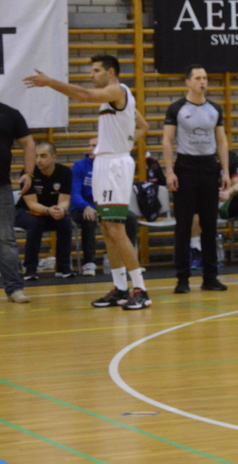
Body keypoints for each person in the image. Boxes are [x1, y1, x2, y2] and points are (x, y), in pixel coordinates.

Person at [27, 55, 152, 310]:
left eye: (96, 70)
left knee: (116, 229)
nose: (91, 75)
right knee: (106, 228)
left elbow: (84, 95)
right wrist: (126, 142)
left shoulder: (117, 90)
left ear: (110, 72)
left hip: (115, 165)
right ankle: (120, 288)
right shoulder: (114, 98)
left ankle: (140, 289)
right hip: (105, 164)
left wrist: (50, 82)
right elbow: (143, 126)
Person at [162, 65, 231, 294]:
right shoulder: (177, 108)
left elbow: (221, 141)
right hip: (185, 168)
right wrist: (170, 171)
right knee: (184, 225)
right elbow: (167, 140)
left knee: (209, 225)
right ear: (188, 82)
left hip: (209, 168)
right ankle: (182, 279)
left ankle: (210, 277)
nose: (203, 82)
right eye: (198, 78)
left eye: (205, 78)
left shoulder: (215, 109)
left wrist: (225, 171)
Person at [69, 135, 139, 279]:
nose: (90, 149)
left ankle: (125, 259)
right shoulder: (79, 166)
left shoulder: (112, 166)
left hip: (105, 206)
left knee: (130, 218)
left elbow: (119, 190)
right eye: (89, 145)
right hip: (83, 207)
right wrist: (85, 206)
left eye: (94, 146)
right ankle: (89, 262)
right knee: (89, 218)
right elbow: (74, 193)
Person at [16, 142, 72, 283]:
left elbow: (64, 200)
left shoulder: (65, 172)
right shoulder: (28, 174)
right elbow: (32, 204)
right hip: (25, 212)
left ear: (54, 157)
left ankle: (63, 268)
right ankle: (30, 269)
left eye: (43, 156)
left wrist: (61, 210)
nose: (38, 160)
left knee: (65, 221)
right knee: (36, 222)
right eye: (36, 156)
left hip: (50, 213)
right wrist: (48, 210)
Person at [0, 100, 35, 303]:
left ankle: (14, 289)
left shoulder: (10, 114)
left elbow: (28, 143)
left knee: (6, 239)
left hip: (1, 186)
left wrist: (28, 173)